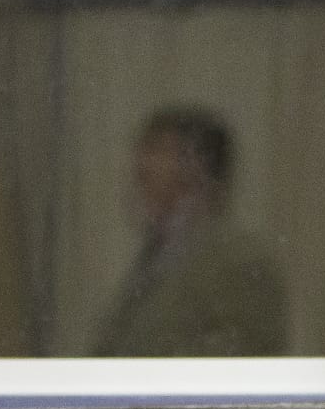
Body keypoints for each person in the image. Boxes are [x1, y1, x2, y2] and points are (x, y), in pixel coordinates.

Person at [89, 107, 291, 356]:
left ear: (197, 167)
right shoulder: (153, 266)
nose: (142, 167)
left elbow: (235, 370)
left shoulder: (240, 264)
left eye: (159, 152)